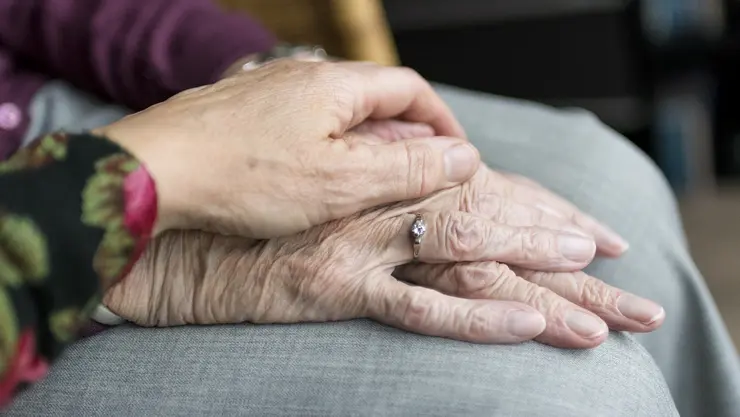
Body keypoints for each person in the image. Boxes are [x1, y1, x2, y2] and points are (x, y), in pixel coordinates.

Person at [0, 1, 737, 417]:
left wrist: (265, 81)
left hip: (60, 108)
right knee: (571, 388)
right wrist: (150, 225)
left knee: (606, 188)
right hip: (31, 284)